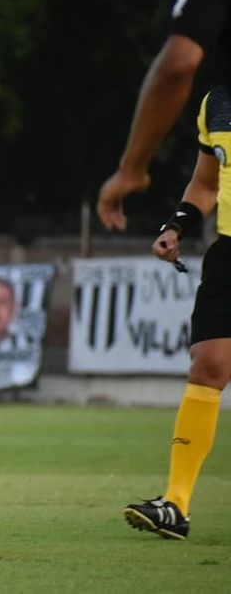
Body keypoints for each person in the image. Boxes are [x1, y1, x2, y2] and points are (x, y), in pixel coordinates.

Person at [123, 84, 231, 540]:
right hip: (228, 252)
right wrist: (177, 225)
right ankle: (177, 504)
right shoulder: (218, 102)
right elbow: (206, 182)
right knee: (207, 366)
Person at [97, 0, 231, 232]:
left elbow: (177, 64)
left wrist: (131, 168)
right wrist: (176, 228)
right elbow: (205, 185)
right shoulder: (216, 112)